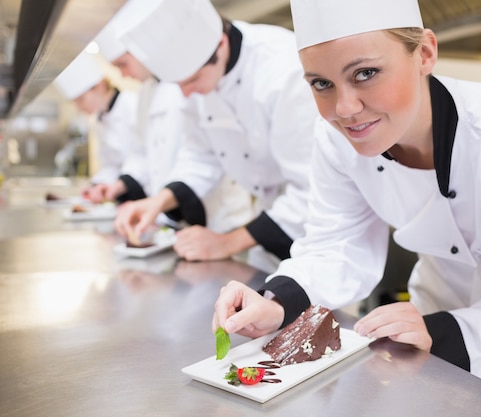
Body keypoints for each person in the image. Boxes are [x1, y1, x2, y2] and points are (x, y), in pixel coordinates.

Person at [212, 0, 481, 415]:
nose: (344, 109)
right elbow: (338, 242)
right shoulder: (337, 138)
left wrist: (441, 332)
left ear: (424, 53)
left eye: (365, 73)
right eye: (321, 84)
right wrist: (276, 301)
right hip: (429, 332)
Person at [112, 0, 318, 266]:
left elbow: (312, 189)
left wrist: (227, 242)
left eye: (192, 80)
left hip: (318, 236)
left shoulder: (282, 70)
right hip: (267, 224)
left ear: (221, 45)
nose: (185, 94)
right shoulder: (196, 73)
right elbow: (200, 154)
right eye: (177, 85)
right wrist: (157, 202)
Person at [95, 6, 254, 234]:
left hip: (222, 215)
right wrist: (157, 201)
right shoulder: (150, 91)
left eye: (123, 64)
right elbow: (195, 153)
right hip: (178, 210)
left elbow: (209, 156)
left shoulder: (260, 69)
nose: (186, 92)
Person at [54, 50, 147, 204]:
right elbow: (111, 164)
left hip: (144, 192)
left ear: (99, 85)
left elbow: (143, 156)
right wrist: (96, 185)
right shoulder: (99, 120)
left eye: (81, 99)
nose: (79, 107)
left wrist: (120, 183)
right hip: (124, 195)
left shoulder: (133, 104)